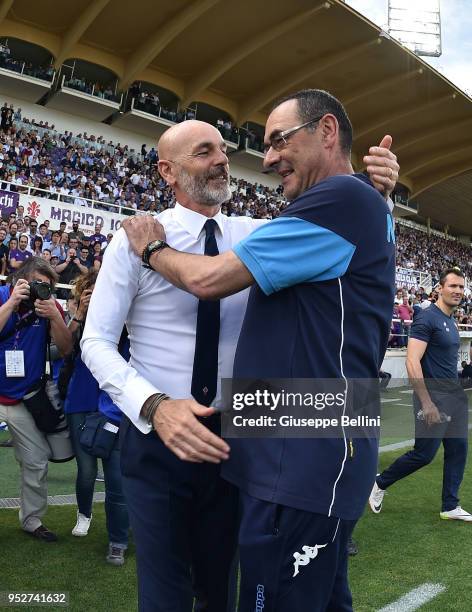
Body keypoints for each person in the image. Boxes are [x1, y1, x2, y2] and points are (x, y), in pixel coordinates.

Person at [82, 114, 399, 612]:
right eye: (204, 151)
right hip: (158, 441)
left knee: (225, 592)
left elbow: (341, 222)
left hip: (241, 443)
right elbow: (95, 341)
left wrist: (376, 189)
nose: (222, 161)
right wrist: (155, 407)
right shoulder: (132, 240)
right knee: (163, 595)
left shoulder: (256, 233)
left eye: (224, 151)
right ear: (167, 171)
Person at [370, 267, 471, 521]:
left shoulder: (450, 321)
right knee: (424, 454)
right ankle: (379, 483)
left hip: (453, 397)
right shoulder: (427, 318)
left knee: (458, 450)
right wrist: (426, 402)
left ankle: (450, 505)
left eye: (461, 287)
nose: (458, 291)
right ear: (439, 288)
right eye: (453, 286)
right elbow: (412, 362)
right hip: (433, 398)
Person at [0, 258, 72, 541]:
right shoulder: (3, 296)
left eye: (49, 286)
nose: (43, 289)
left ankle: (31, 519)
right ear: (20, 279)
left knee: (36, 460)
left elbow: (66, 349)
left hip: (22, 398)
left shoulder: (48, 307)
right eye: (38, 283)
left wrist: (54, 316)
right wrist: (10, 304)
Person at [63, 270, 130, 565]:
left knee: (116, 476)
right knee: (87, 471)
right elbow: (62, 349)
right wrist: (80, 313)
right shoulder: (77, 316)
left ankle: (118, 540)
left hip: (116, 404)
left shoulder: (125, 313)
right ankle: (84, 513)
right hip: (81, 398)